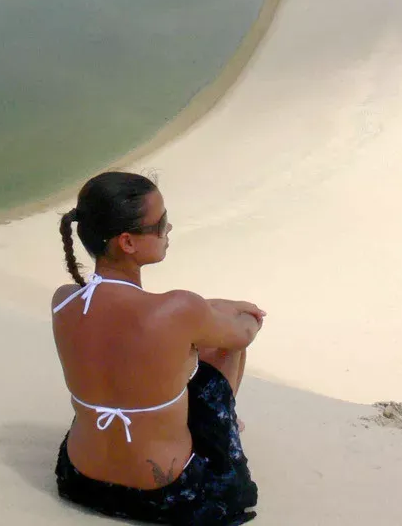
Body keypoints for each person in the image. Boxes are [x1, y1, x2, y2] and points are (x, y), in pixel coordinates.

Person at [52, 171, 264, 526]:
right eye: (160, 223)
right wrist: (247, 314)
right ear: (127, 243)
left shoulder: (62, 302)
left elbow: (136, 316)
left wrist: (210, 310)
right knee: (222, 351)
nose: (168, 229)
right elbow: (240, 335)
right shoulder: (179, 310)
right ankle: (224, 432)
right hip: (170, 496)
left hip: (80, 481)